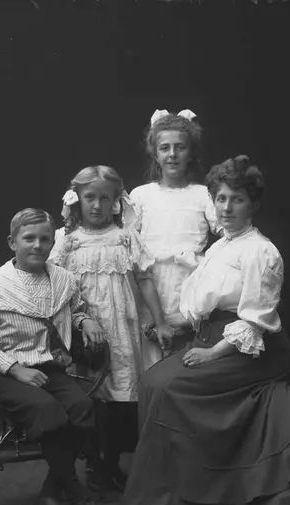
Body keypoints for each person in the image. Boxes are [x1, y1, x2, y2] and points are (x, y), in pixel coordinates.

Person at [122, 156, 290, 505]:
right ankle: (169, 491)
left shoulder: (261, 251)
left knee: (170, 387)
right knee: (150, 382)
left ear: (252, 204)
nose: (227, 208)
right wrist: (171, 322)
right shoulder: (221, 246)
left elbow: (254, 320)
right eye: (221, 199)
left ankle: (203, 491)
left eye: (237, 199)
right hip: (214, 337)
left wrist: (212, 353)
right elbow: (210, 304)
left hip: (253, 351)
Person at [0, 208, 116, 505]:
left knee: (82, 407)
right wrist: (14, 369)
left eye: (45, 239)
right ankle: (78, 498)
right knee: (48, 410)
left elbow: (72, 309)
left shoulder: (61, 279)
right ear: (12, 242)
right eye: (28, 238)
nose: (37, 245)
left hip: (46, 366)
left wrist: (84, 320)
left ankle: (49, 495)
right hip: (1, 372)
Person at [50, 165, 173, 491]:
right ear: (77, 199)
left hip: (121, 328)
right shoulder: (67, 241)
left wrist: (160, 321)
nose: (97, 205)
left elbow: (144, 279)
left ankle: (110, 463)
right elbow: (55, 288)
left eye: (105, 198)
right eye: (90, 197)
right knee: (91, 397)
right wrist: (76, 323)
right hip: (83, 329)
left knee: (120, 399)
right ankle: (92, 464)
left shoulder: (125, 237)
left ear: (116, 201)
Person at [130, 109, 223, 370]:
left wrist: (205, 266)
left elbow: (228, 235)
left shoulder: (203, 195)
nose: (172, 154)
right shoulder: (140, 196)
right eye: (165, 148)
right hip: (149, 286)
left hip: (188, 286)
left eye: (180, 147)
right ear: (155, 153)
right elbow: (126, 243)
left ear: (190, 153)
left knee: (183, 363)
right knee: (147, 362)